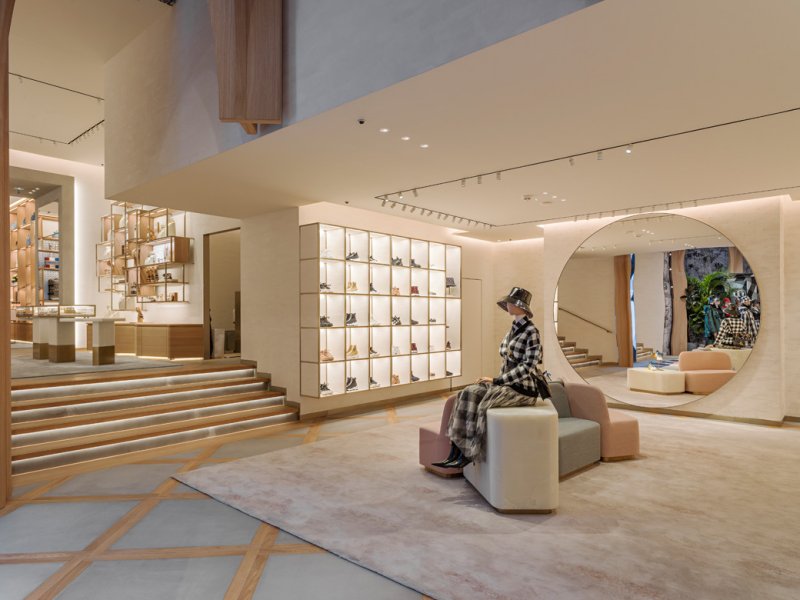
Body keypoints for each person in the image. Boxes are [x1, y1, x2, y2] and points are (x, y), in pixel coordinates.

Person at [432, 287, 550, 469]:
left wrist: (496, 381)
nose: (508, 305)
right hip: (507, 384)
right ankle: (454, 452)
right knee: (467, 393)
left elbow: (528, 367)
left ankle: (470, 453)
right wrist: (497, 381)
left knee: (483, 404)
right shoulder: (513, 329)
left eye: (511, 302)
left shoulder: (531, 331)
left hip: (523, 389)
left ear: (521, 307)